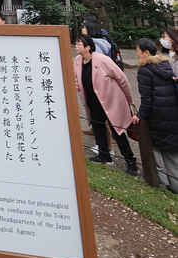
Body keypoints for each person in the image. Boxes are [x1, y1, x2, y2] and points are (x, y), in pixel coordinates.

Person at [73, 35, 138, 175]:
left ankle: (131, 162)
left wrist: (129, 100)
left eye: (79, 44)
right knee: (98, 129)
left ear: (88, 47)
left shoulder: (103, 60)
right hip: (93, 103)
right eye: (76, 44)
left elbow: (122, 79)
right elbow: (76, 81)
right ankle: (104, 155)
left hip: (111, 103)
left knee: (118, 132)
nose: (76, 46)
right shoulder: (78, 61)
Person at [132, 37, 178, 193]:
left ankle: (160, 183)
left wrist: (140, 115)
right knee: (172, 154)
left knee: (153, 150)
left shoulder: (145, 70)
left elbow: (147, 98)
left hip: (156, 116)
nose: (137, 54)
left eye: (138, 51)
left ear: (146, 52)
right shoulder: (166, 64)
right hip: (172, 114)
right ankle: (175, 186)